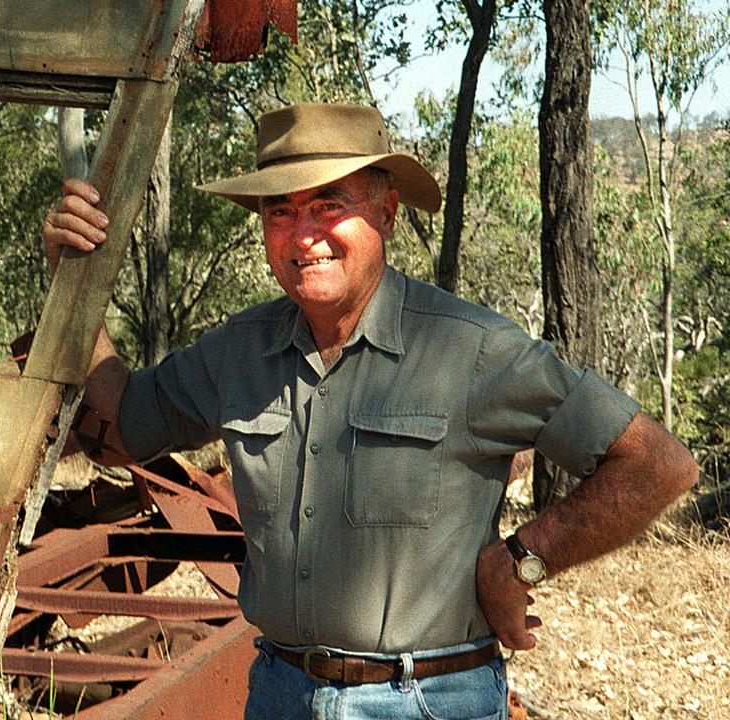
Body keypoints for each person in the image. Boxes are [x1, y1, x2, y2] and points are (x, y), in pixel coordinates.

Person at [41, 103, 697, 720]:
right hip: (280, 689)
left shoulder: (471, 350)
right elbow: (124, 422)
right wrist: (75, 280)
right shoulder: (238, 352)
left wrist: (522, 558)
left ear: (386, 213)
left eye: (329, 205)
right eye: (281, 211)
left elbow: (657, 465)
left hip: (427, 698)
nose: (305, 236)